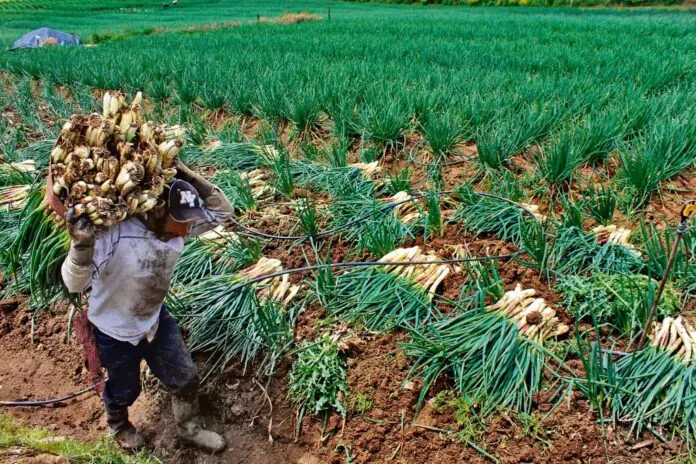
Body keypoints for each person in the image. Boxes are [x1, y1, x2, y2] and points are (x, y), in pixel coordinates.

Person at [61, 159, 232, 452]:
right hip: (114, 333)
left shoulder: (178, 226)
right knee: (125, 389)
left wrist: (192, 178)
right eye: (183, 222)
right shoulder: (116, 234)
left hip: (154, 320)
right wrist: (81, 246)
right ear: (158, 211)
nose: (189, 228)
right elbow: (74, 284)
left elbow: (222, 212)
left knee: (185, 376)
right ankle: (120, 425)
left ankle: (189, 429)